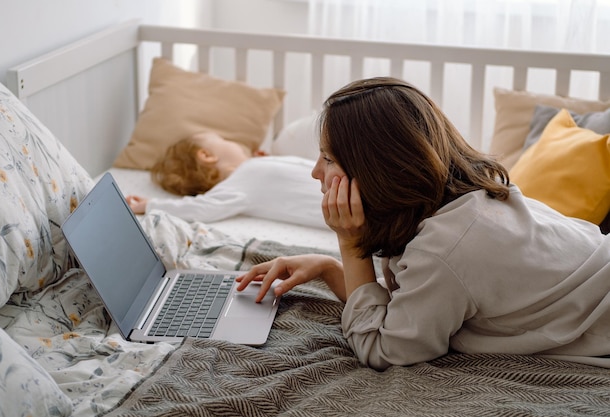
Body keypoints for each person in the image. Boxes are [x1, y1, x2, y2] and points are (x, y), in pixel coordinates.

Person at [236, 76, 610, 370]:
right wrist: (330, 268)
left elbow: (384, 348)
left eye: (328, 159)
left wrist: (351, 245)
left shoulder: (447, 247)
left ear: (378, 169)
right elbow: (412, 304)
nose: (316, 172)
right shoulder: (466, 199)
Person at [126, 131, 327, 229]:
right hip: (348, 207)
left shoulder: (251, 170)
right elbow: (201, 207)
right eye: (222, 140)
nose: (233, 142)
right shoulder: (237, 184)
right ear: (206, 155)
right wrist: (150, 205)